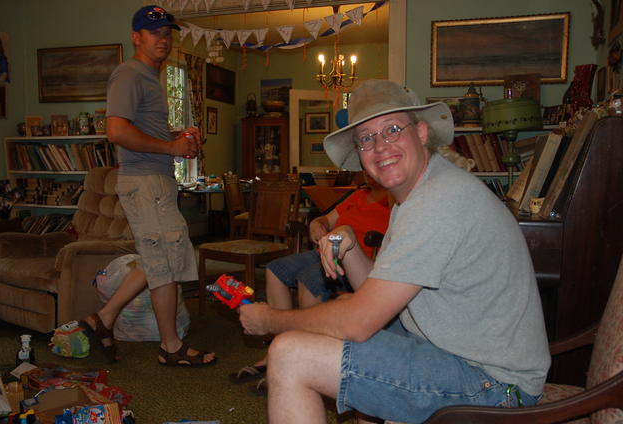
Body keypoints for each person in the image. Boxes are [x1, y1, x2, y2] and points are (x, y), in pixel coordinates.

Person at [238, 80, 550, 423]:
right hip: (459, 355)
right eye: (366, 138)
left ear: (421, 132)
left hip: (495, 386)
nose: (380, 146)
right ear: (359, 153)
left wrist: (270, 320)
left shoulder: (438, 202)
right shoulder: (418, 194)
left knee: (289, 354)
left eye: (392, 129)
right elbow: (377, 296)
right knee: (342, 316)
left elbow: (359, 322)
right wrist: (350, 243)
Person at [82, 5, 216, 367]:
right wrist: (171, 148)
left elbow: (141, 132)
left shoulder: (149, 78)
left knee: (158, 260)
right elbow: (116, 132)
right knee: (166, 264)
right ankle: (170, 346)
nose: (163, 39)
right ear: (136, 37)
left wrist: (178, 139)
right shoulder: (129, 74)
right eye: (154, 33)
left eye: (167, 33)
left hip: (154, 181)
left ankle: (103, 318)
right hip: (144, 182)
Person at [230, 171, 391, 390]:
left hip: (354, 261)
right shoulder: (358, 195)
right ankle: (278, 351)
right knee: (275, 269)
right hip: (324, 251)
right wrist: (317, 224)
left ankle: (303, 360)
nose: (368, 173)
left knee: (308, 279)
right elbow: (325, 219)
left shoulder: (393, 200)